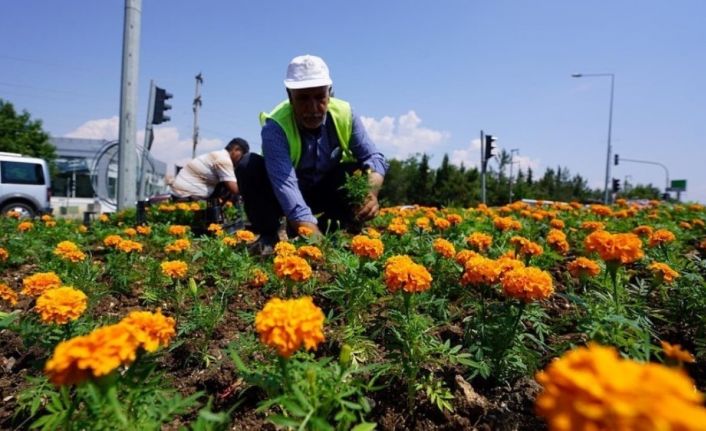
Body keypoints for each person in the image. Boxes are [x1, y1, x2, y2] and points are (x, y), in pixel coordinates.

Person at [236, 55, 387, 251]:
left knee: (355, 171)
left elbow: (375, 158)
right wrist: (308, 231)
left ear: (329, 94)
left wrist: (370, 193)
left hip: (321, 191)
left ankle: (331, 230)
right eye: (303, 99)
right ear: (290, 97)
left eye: (319, 97)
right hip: (282, 195)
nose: (313, 108)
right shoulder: (276, 127)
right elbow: (285, 184)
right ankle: (269, 235)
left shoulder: (345, 114)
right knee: (248, 165)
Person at [169, 138, 249, 203]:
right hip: (185, 197)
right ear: (236, 149)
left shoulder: (218, 155)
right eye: (242, 156)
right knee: (231, 188)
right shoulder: (224, 159)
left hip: (182, 194)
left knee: (224, 185)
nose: (240, 160)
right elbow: (234, 189)